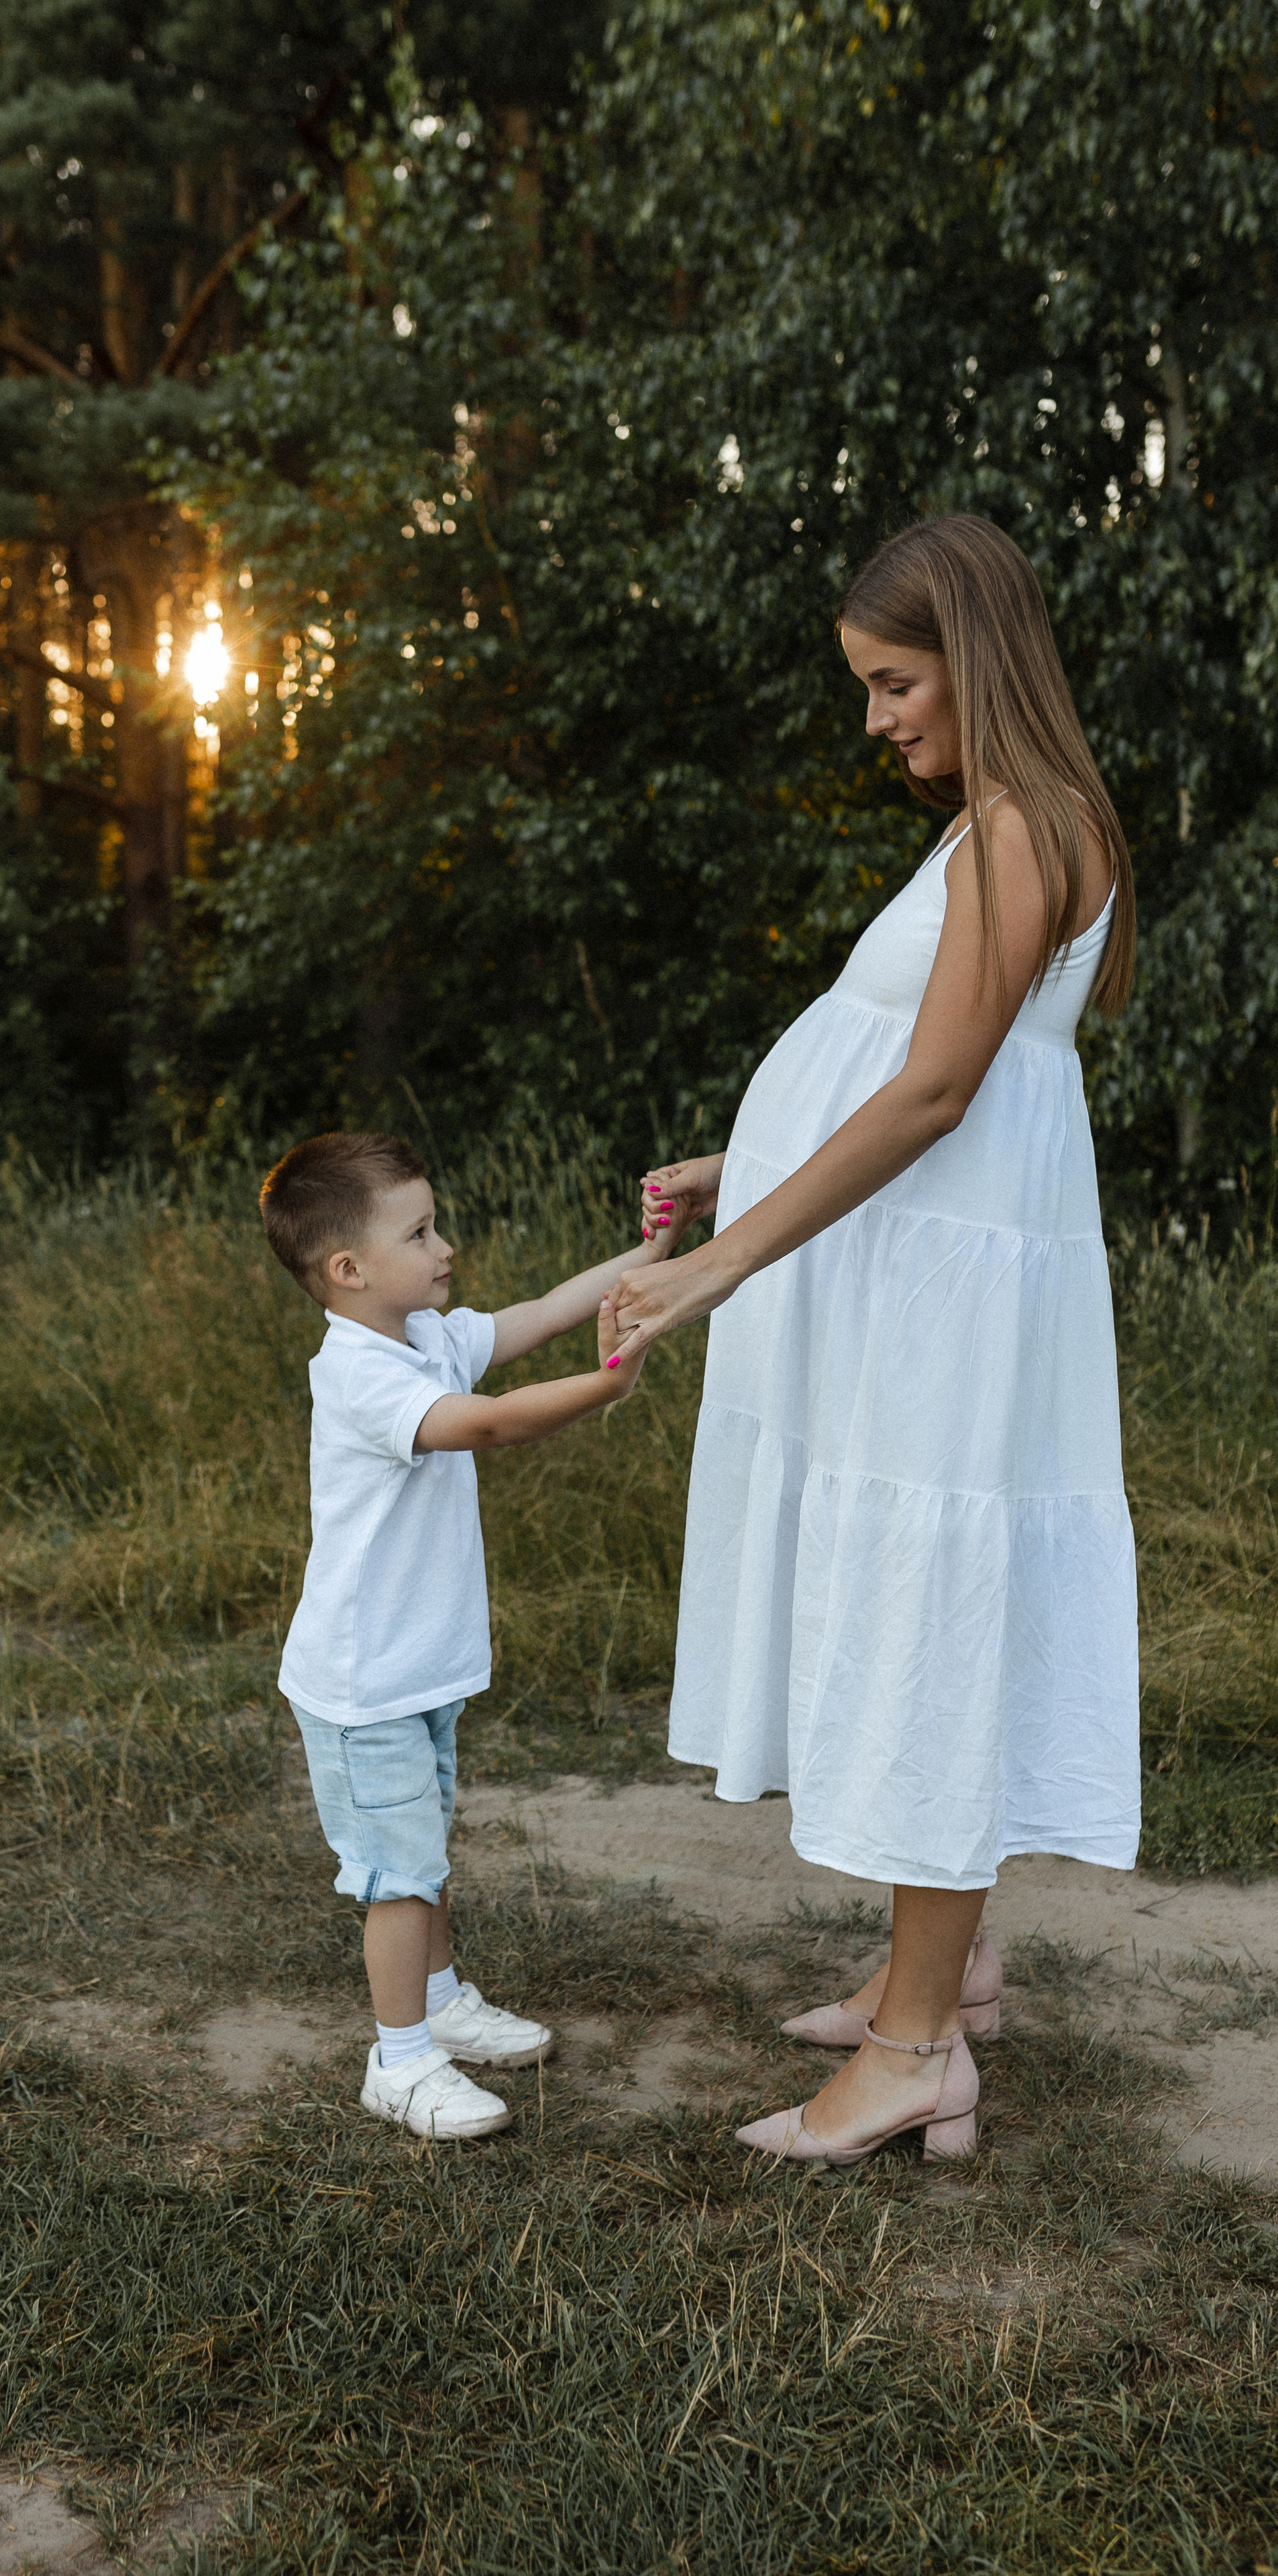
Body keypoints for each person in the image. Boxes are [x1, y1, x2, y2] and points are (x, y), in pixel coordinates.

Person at [611, 513, 1140, 2166]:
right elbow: (897, 1057)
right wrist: (739, 1164)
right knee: (923, 1596)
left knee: (925, 1606)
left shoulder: (1012, 830)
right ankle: (947, 1971)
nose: (876, 720)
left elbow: (932, 1095)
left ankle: (914, 2050)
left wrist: (722, 1267)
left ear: (972, 655)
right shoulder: (1020, 819)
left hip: (942, 1304)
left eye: (893, 682)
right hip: (931, 1279)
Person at [260, 1130, 662, 2140]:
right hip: (365, 1684)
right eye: (423, 1232)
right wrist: (608, 1386)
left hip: (416, 1669)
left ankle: (437, 2000)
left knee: (423, 1850)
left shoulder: (426, 1335)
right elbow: (486, 1423)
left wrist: (658, 1254)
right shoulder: (360, 1374)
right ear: (348, 1271)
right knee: (401, 1875)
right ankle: (399, 2061)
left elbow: (544, 1314)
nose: (446, 1248)